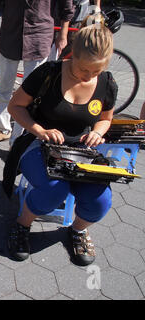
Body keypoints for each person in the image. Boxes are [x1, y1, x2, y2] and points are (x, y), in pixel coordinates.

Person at [6, 19, 117, 266]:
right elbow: (15, 106)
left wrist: (98, 132)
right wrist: (40, 130)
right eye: (83, 70)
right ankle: (22, 224)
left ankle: (77, 230)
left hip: (81, 150)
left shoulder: (107, 82)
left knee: (101, 199)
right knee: (55, 188)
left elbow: (106, 119)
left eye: (95, 71)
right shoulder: (48, 73)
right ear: (72, 56)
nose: (88, 76)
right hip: (39, 143)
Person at [0, 0, 74, 146]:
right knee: (4, 89)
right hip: (9, 37)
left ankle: (17, 139)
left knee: (31, 96)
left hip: (39, 39)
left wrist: (63, 34)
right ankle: (4, 129)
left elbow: (66, 7)